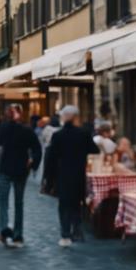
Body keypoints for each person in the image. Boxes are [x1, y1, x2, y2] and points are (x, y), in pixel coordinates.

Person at [43, 106, 99, 247]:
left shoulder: (58, 135)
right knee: (76, 203)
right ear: (75, 117)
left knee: (64, 204)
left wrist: (48, 179)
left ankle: (65, 233)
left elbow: (51, 158)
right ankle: (77, 229)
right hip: (78, 173)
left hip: (62, 174)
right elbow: (94, 149)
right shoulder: (83, 134)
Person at [0, 103, 42, 248]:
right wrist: (33, 162)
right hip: (14, 169)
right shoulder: (10, 128)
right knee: (12, 203)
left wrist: (33, 161)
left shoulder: (21, 130)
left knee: (14, 203)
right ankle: (11, 232)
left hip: (15, 170)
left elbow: (36, 149)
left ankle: (13, 233)